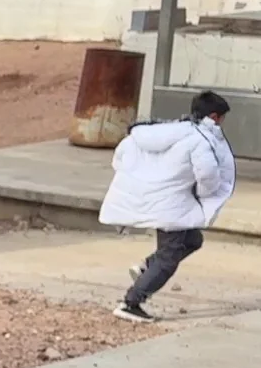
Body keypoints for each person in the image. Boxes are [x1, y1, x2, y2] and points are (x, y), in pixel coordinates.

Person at [100, 91, 236, 323]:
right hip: (172, 206)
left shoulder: (160, 131)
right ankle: (131, 303)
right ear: (214, 117)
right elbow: (208, 177)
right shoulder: (199, 140)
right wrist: (203, 197)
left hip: (152, 199)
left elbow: (120, 159)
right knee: (169, 256)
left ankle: (147, 267)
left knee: (193, 240)